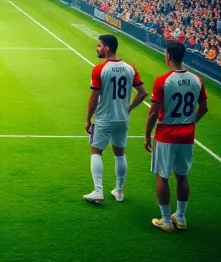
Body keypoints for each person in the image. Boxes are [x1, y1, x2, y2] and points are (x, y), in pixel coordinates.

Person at [145, 40, 208, 232]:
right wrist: (190, 121)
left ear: (168, 56)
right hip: (187, 135)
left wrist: (147, 135)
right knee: (182, 176)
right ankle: (180, 218)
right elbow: (204, 108)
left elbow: (153, 113)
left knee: (162, 177)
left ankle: (165, 220)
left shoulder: (162, 81)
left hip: (166, 134)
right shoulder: (197, 79)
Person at [84, 34, 147, 203]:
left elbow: (93, 98)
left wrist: (88, 119)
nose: (96, 48)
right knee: (120, 153)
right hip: (123, 118)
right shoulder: (129, 68)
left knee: (96, 151)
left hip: (105, 117)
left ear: (107, 48)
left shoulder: (99, 69)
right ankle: (119, 191)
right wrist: (129, 108)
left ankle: (98, 191)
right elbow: (143, 93)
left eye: (99, 45)